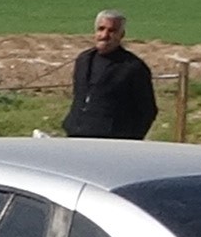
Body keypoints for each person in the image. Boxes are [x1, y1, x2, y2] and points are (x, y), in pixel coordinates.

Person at [64, 10, 160, 140]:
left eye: (112, 31)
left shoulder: (133, 67)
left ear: (121, 35)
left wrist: (130, 140)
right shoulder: (84, 60)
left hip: (111, 141)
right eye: (101, 29)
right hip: (76, 136)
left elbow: (147, 111)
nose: (104, 35)